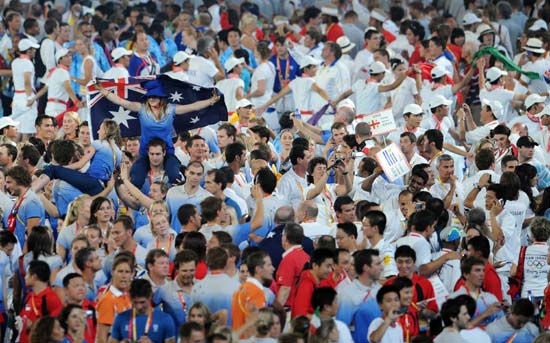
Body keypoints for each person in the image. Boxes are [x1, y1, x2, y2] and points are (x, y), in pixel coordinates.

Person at [95, 78, 219, 189]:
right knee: (136, 180)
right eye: (150, 96)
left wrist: (211, 101)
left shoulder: (170, 109)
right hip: (145, 153)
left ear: (161, 97)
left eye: (155, 96)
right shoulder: (142, 109)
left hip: (168, 152)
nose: (152, 99)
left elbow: (193, 106)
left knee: (175, 177)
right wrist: (103, 90)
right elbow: (121, 102)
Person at [110, 279, 177, 343]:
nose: (139, 307)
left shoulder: (165, 319)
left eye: (142, 302)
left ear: (150, 297)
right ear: (130, 298)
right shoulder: (121, 318)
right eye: (135, 302)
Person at [19, 261, 64, 343]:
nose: (25, 277)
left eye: (27, 274)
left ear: (34, 277)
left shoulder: (51, 299)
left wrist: (33, 325)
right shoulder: (29, 296)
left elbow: (57, 326)